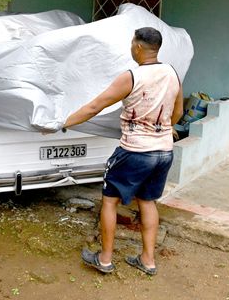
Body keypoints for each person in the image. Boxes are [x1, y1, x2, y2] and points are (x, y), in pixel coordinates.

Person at [62, 27, 183, 276]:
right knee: (148, 201)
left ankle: (105, 259)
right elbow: (177, 112)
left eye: (132, 44)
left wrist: (63, 122)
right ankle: (148, 261)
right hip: (163, 152)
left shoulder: (131, 77)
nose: (130, 48)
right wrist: (164, 130)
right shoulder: (172, 73)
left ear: (138, 47)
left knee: (110, 201)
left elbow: (95, 106)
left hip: (135, 152)